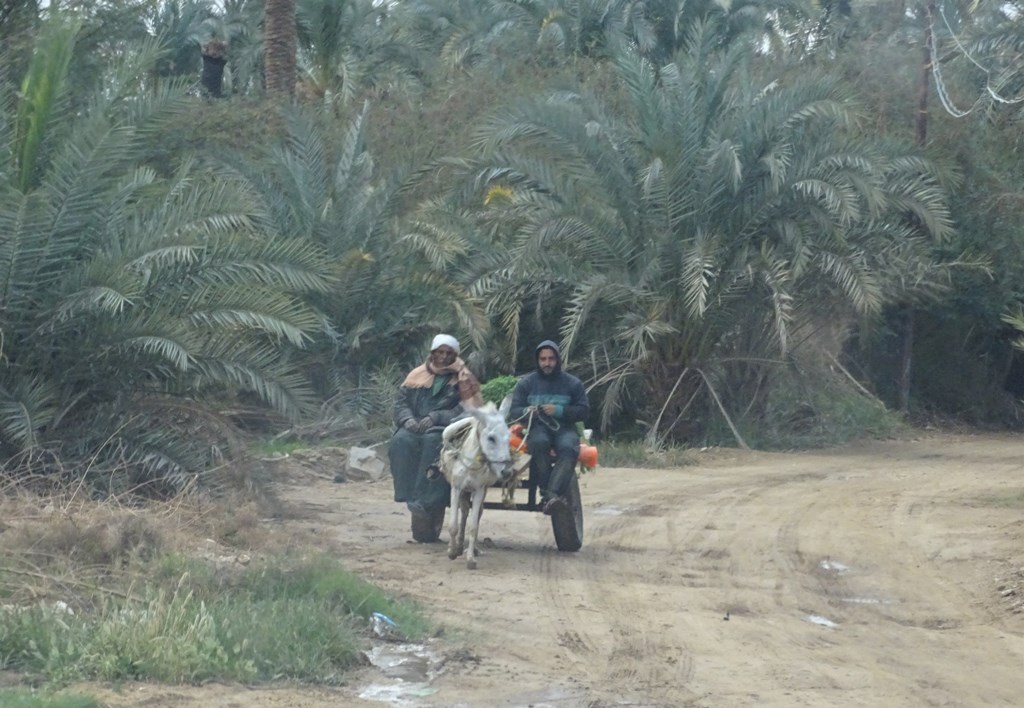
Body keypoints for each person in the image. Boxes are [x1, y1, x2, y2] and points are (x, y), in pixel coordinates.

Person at [388, 334, 482, 538]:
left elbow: (469, 409)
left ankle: (427, 499)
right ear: (432, 353)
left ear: (455, 355)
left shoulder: (463, 377)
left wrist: (437, 416)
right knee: (400, 441)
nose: (444, 356)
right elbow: (400, 403)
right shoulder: (415, 375)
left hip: (446, 428)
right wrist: (408, 420)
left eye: (449, 353)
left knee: (434, 443)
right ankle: (407, 495)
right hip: (414, 426)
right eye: (440, 352)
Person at [510, 340, 589, 514]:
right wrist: (527, 411)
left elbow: (584, 411)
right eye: (543, 359)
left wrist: (559, 410)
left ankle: (549, 495)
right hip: (537, 428)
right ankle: (550, 495)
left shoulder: (573, 383)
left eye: (551, 359)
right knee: (539, 443)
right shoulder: (526, 383)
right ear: (538, 361)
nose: (547, 363)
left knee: (569, 448)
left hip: (565, 429)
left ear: (558, 360)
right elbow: (514, 410)